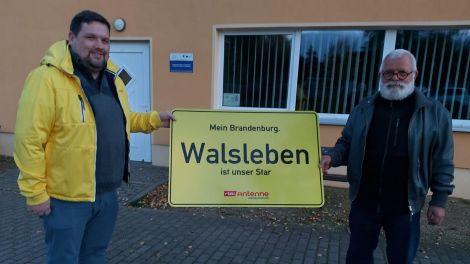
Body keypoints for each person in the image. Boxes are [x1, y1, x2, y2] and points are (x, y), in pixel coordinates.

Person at [14, 10, 175, 264]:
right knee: (64, 259)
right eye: (91, 38)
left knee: (95, 256)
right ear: (71, 37)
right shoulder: (47, 79)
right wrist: (35, 193)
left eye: (105, 40)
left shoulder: (113, 79)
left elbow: (124, 119)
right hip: (66, 200)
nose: (99, 46)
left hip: (107, 195)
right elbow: (28, 139)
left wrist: (156, 119)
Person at [319, 49, 454, 264]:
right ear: (381, 74)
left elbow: (443, 160)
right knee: (357, 258)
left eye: (402, 73)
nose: (395, 78)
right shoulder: (364, 108)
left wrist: (439, 200)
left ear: (414, 74)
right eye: (388, 73)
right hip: (364, 202)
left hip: (405, 206)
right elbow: (346, 142)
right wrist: (332, 157)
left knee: (401, 259)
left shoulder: (435, 113)